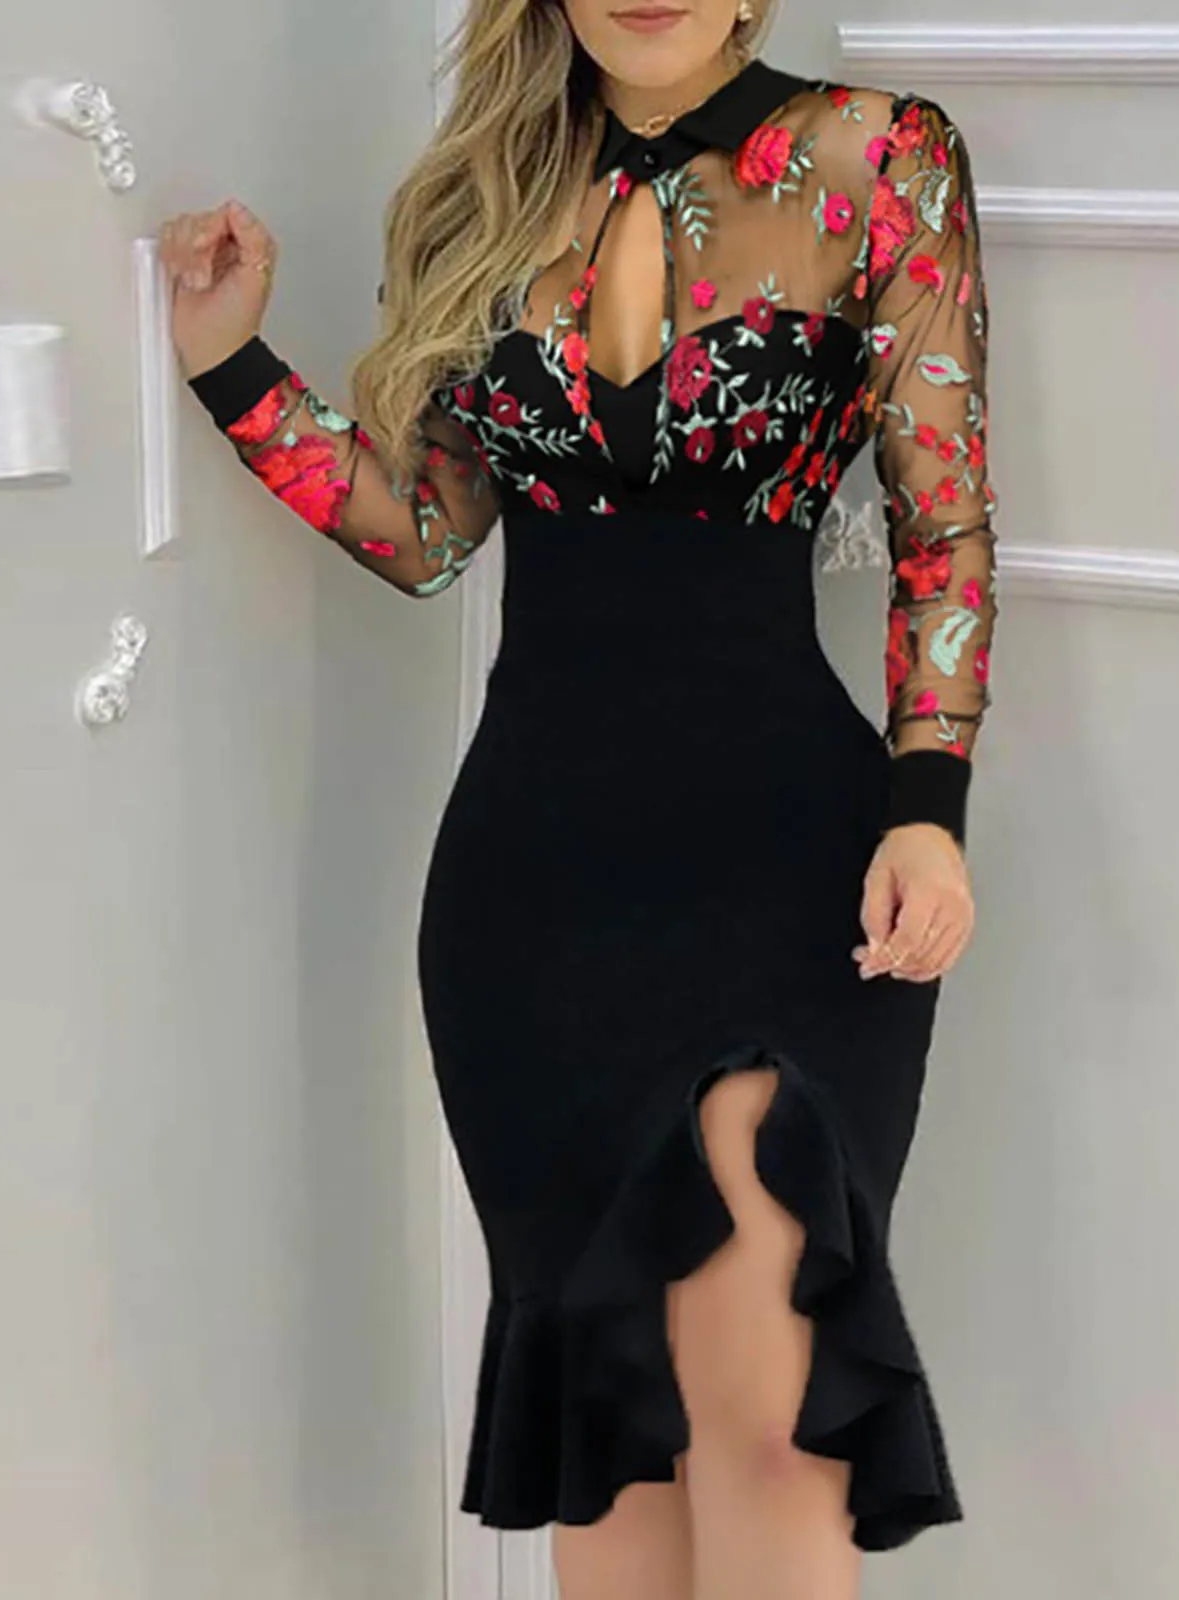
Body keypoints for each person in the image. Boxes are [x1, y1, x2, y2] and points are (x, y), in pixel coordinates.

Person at [159, 1, 997, 1595]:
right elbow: (426, 536)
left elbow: (943, 525)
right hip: (533, 888)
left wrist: (927, 810)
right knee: (613, 1431)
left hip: (791, 864)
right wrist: (230, 362)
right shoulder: (475, 195)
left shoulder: (878, 156)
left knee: (772, 1412)